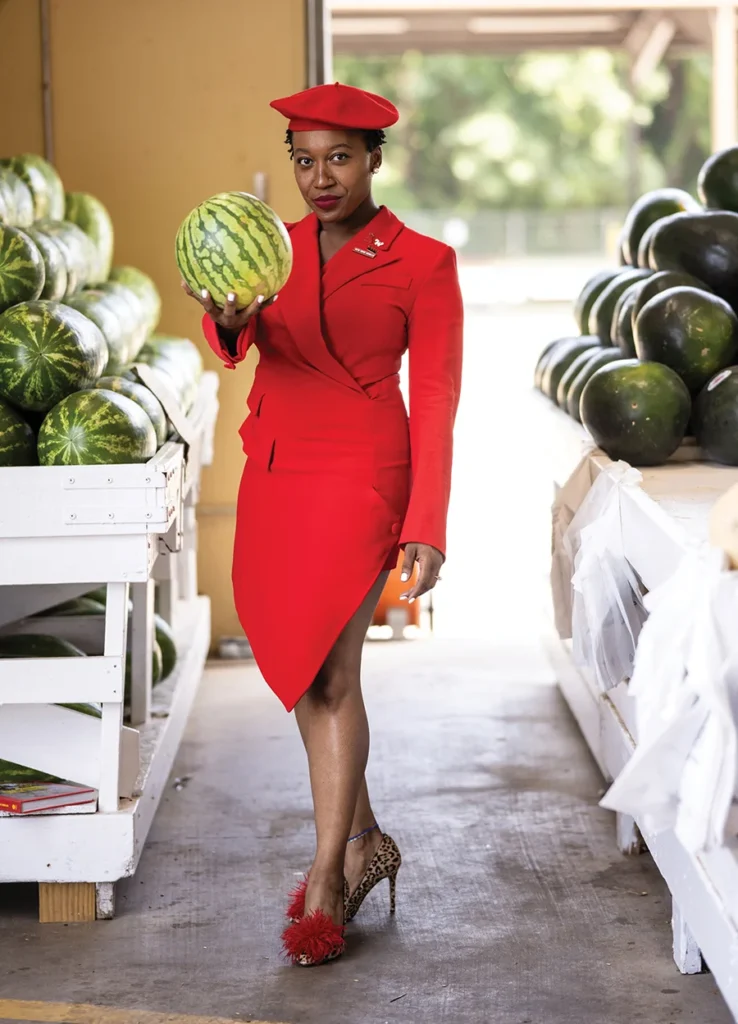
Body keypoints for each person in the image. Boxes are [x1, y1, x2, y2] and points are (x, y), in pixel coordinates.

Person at [183, 82, 463, 966]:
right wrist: (226, 324)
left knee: (335, 678)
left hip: (360, 481)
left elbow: (442, 401)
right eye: (304, 160)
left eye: (338, 157)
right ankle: (366, 837)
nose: (319, 177)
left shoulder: (425, 261)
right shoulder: (272, 250)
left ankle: (326, 880)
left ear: (376, 157)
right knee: (303, 676)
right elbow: (237, 338)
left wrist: (428, 521)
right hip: (275, 474)